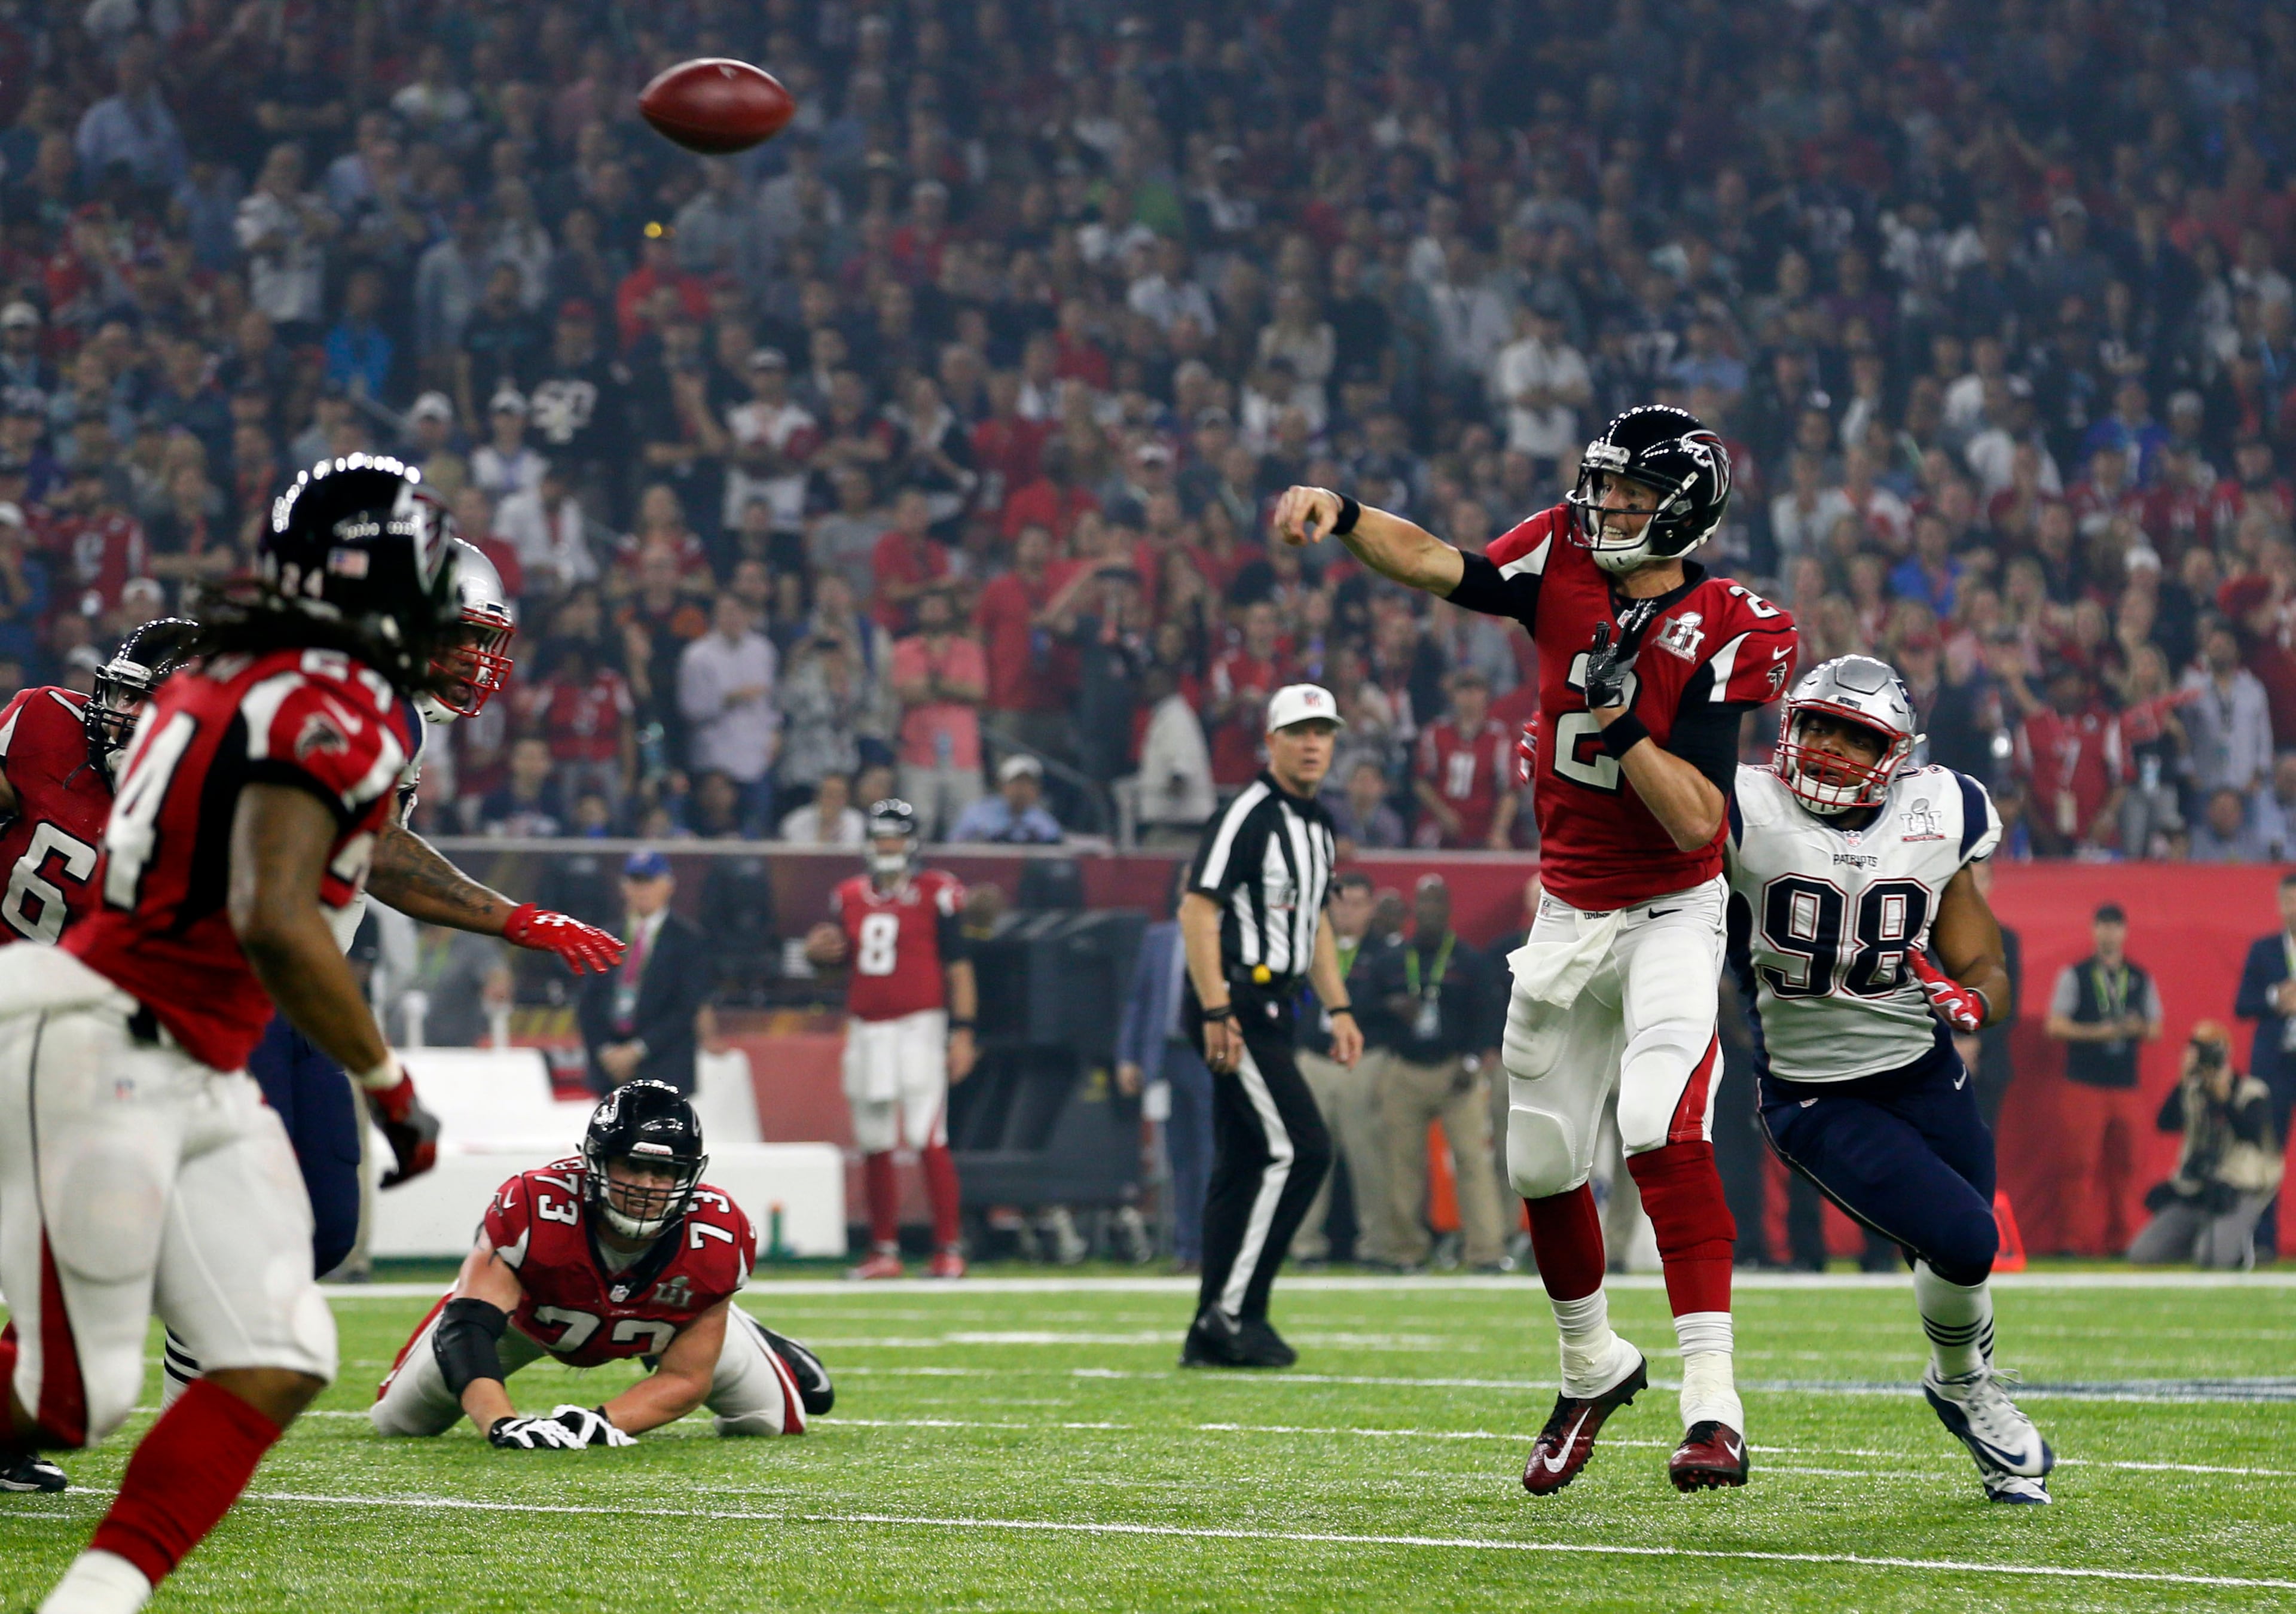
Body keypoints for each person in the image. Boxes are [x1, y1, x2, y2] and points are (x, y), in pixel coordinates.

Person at [1274, 404, 1798, 1493]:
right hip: (1564, 913)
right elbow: (1436, 562)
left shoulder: (1735, 621)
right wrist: (1349, 514)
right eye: (1602, 487)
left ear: (1686, 509)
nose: (1603, 507)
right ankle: (1591, 1365)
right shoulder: (1561, 552)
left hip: (1669, 910)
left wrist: (1619, 724)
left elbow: (1702, 821)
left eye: (1630, 495)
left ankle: (1715, 1406)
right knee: (1540, 1161)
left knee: (1658, 1120)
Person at [0, 455, 459, 1610]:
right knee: (81, 1380)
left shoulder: (260, 680)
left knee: (269, 1350)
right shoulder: (301, 702)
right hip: (98, 1035)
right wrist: (391, 1083)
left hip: (165, 1043)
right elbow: (276, 913)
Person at [1726, 654, 2053, 1502]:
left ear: (1898, 752)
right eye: (1819, 725)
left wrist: (1976, 997)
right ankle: (1970, 1386)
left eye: (1855, 733)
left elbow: (1984, 958)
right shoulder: (1741, 807)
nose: (1830, 747)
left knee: (1960, 1254)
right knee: (1965, 1235)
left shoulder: (1936, 809)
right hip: (1814, 1090)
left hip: (1924, 1071)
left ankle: (1957, 1381)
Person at [371, 1082, 833, 1445]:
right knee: (398, 1422)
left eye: (667, 1172)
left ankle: (739, 1326)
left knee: (771, 1421)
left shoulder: (717, 1234)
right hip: (529, 1320)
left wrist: (595, 1423)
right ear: (595, 1162)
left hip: (661, 1318)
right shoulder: (535, 1205)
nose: (649, 1185)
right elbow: (467, 1329)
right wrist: (502, 1423)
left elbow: (686, 1379)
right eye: (632, 1166)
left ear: (690, 1175)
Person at [1177, 684, 1360, 1368]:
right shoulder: (1247, 813)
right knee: (1300, 1149)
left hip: (1277, 1006)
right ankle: (1234, 1313)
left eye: (1324, 731)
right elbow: (1198, 910)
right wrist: (1216, 1007)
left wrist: (1338, 1007)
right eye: (1299, 731)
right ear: (1272, 739)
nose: (1313, 743)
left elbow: (1313, 920)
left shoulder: (1318, 823)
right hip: (1239, 1003)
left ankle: (1210, 1326)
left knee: (1245, 1161)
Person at [803, 800, 978, 1279]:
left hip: (921, 1025)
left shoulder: (937, 891)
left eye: (895, 836)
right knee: (874, 1138)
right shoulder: (848, 895)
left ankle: (949, 1247)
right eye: (881, 836)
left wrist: (963, 1031)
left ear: (912, 840)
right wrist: (817, 955)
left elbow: (959, 967)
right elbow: (832, 965)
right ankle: (884, 1249)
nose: (888, 846)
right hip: (866, 1027)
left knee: (927, 1133)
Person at [1360, 875, 1509, 1271]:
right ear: (1413, 910)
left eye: (1436, 903)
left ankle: (1486, 1250)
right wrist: (1390, 1007)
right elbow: (1362, 1008)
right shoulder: (1392, 960)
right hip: (1405, 1070)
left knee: (1473, 1161)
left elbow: (1489, 1014)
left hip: (1455, 1070)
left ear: (1448, 910)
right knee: (1402, 1165)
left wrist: (1474, 1060)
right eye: (1422, 904)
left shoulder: (1469, 960)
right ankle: (1405, 1250)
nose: (1428, 911)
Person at [2044, 902, 2164, 1255]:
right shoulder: (2075, 974)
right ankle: (2072, 1241)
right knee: (2077, 1166)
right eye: (2103, 926)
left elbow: (2155, 1029)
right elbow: (2055, 1026)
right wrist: (2100, 1032)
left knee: (2127, 1166)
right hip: (2084, 1083)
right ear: (2094, 930)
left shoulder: (2140, 977)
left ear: (2124, 932)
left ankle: (2125, 1240)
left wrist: (2134, 1027)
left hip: (2125, 1084)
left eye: (2115, 927)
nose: (2109, 933)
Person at [1116, 864, 1218, 1271]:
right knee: (1180, 1156)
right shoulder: (1159, 938)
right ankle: (1187, 1246)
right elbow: (1138, 1001)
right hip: (1169, 1054)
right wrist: (1129, 1056)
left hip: (1213, 1056)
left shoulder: (1235, 938)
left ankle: (1215, 1246)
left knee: (1215, 1154)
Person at [1290, 871, 1387, 1265]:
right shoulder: (1307, 948)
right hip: (1314, 1058)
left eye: (1357, 903)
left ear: (1371, 907)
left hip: (1362, 1063)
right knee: (1309, 1156)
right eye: (1341, 902)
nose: (1347, 911)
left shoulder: (1386, 953)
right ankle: (1304, 1244)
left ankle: (1376, 1245)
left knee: (1369, 1159)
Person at [2128, 1023, 2283, 1270]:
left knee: (2212, 1260)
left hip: (2237, 1191)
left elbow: (2252, 1134)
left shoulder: (2251, 1091)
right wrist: (2182, 1080)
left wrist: (2225, 1099)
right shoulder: (2192, 1092)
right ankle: (2207, 1239)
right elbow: (2165, 1123)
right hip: (2196, 1191)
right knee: (2142, 1254)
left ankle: (2241, 1244)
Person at [576, 850, 712, 1095]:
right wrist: (606, 1052)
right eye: (635, 882)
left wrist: (637, 1050)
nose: (642, 889)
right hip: (610, 1072)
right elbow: (588, 1003)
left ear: (668, 886)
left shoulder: (689, 940)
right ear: (623, 887)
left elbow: (686, 1007)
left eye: (649, 881)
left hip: (664, 1069)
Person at [890, 583, 987, 840]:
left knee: (968, 829)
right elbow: (907, 692)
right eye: (928, 607)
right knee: (917, 826)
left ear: (950, 612)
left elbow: (977, 692)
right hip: (918, 753)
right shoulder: (904, 649)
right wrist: (954, 688)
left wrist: (932, 684)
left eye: (940, 607)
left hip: (963, 754)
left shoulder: (969, 650)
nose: (934, 612)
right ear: (919, 613)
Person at [2233, 871, 2296, 1256]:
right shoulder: (2265, 950)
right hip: (2276, 1064)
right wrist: (2276, 997)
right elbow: (2243, 1004)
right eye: (2287, 901)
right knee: (2267, 1151)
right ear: (2278, 904)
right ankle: (2264, 1238)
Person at [949, 753, 1064, 843]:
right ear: (1001, 785)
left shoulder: (1044, 822)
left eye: (1029, 784)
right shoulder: (976, 814)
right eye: (1017, 783)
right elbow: (954, 845)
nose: (1022, 790)